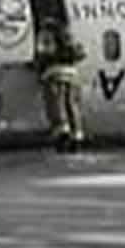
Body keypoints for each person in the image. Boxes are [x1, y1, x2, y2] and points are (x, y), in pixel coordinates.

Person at [36, 22, 88, 153]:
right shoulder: (70, 38)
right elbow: (80, 54)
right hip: (72, 75)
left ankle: (62, 131)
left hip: (54, 74)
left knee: (56, 104)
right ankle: (77, 134)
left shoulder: (47, 38)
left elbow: (43, 54)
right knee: (72, 105)